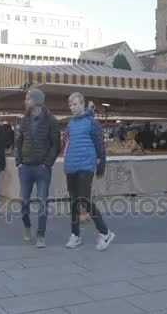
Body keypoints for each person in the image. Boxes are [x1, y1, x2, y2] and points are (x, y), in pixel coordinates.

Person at [64, 93, 115, 251]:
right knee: (74, 201)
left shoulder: (92, 123)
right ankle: (75, 235)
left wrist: (101, 166)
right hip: (71, 166)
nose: (73, 107)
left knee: (84, 200)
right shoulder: (70, 124)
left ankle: (105, 232)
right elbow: (69, 144)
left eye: (76, 104)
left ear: (83, 104)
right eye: (71, 105)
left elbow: (100, 147)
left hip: (86, 165)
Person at [15, 89, 60, 248]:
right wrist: (18, 162)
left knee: (42, 202)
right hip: (25, 167)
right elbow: (19, 142)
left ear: (37, 101)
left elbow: (56, 145)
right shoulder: (24, 120)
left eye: (28, 99)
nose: (25, 101)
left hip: (42, 168)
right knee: (23, 202)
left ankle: (41, 234)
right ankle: (27, 226)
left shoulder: (51, 120)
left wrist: (47, 164)